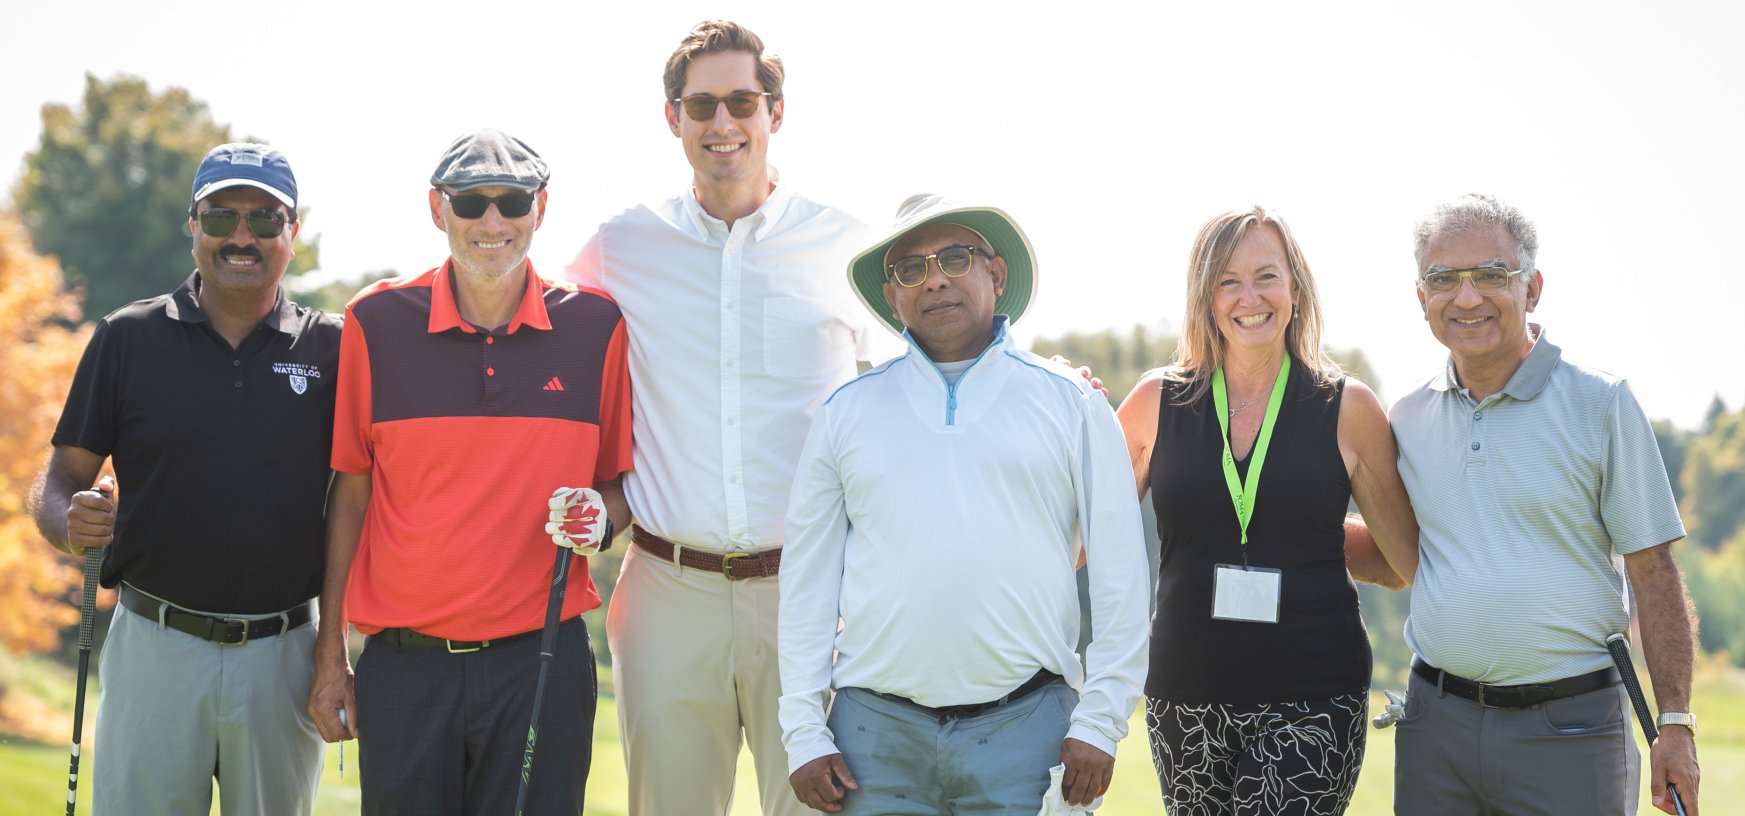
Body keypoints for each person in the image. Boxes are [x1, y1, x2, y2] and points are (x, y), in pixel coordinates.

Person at [564, 20, 892, 816]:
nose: (721, 123)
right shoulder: (619, 246)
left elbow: (923, 378)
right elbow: (541, 343)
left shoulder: (846, 247)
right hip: (667, 591)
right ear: (671, 117)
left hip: (814, 595)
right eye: (700, 104)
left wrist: (1047, 376)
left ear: (774, 112)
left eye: (740, 101)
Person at [780, 194, 1152, 815]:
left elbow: (1121, 573)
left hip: (1030, 729)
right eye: (910, 269)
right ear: (893, 297)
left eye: (955, 257)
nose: (935, 279)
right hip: (872, 736)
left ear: (995, 275)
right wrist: (801, 730)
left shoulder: (1072, 404)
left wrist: (1100, 719)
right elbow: (807, 582)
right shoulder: (846, 411)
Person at [305, 129, 632, 814]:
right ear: (437, 208)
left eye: (511, 202)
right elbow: (351, 493)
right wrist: (329, 655)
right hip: (403, 665)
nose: (492, 222)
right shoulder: (375, 321)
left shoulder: (596, 327)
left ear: (539, 210)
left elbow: (617, 490)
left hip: (538, 663)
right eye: (471, 202)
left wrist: (598, 515)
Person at [27, 142, 335, 814]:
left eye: (264, 218)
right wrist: (68, 520)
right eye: (220, 217)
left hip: (285, 654)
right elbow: (58, 482)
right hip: (154, 646)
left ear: (294, 231)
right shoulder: (126, 337)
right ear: (192, 226)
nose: (241, 236)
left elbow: (361, 500)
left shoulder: (334, 349)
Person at [1390, 194, 1701, 815]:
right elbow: (1396, 550)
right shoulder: (1406, 418)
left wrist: (1676, 722)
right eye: (1443, 278)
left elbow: (1653, 569)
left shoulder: (1602, 403)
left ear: (1531, 288)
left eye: (1490, 275)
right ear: (1420, 297)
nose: (1467, 297)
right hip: (1435, 729)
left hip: (1571, 731)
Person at [1113, 206, 1419, 815]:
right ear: (1205, 297)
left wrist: (1303, 533)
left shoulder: (1348, 407)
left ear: (1296, 289)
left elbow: (1400, 562)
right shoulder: (1155, 401)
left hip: (1313, 693)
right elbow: (1083, 541)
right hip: (1185, 691)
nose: (1248, 297)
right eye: (1228, 280)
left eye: (1266, 276)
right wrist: (1068, 416)